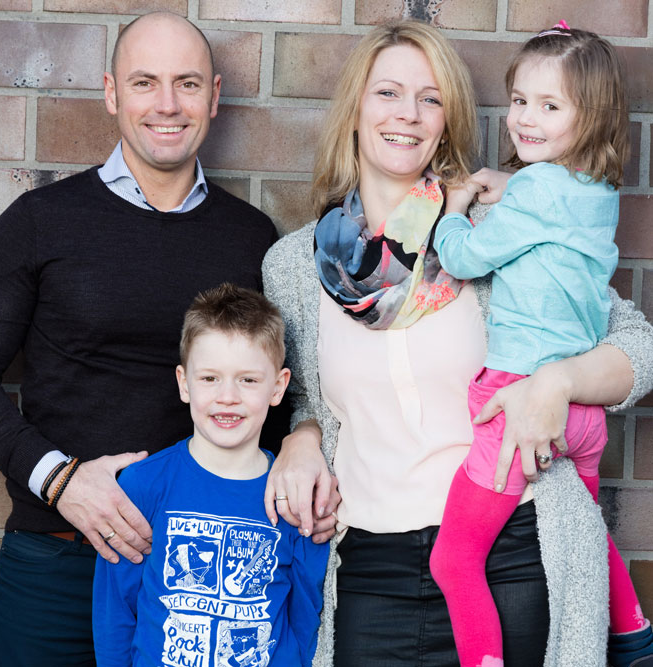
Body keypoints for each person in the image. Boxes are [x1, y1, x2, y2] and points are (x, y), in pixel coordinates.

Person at [261, 19, 653, 667]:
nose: (407, 114)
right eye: (387, 93)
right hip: (371, 568)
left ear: (448, 121)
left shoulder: (500, 225)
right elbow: (305, 395)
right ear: (354, 108)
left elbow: (637, 344)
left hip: (513, 552)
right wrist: (300, 438)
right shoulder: (296, 266)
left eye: (430, 98)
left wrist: (557, 382)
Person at [0, 12, 282, 667]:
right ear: (112, 93)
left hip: (197, 579)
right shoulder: (41, 221)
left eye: (186, 83)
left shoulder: (252, 239)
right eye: (145, 82)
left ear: (213, 96)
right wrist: (58, 480)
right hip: (56, 564)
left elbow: (283, 397)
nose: (167, 104)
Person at [429, 23, 653, 667]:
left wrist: (454, 208)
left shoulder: (533, 191)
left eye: (550, 106)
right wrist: (514, 182)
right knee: (586, 526)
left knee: (454, 559)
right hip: (582, 413)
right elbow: (546, 201)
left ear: (592, 116)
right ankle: (635, 635)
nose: (526, 118)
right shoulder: (599, 193)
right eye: (520, 100)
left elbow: (466, 258)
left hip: (519, 398)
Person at [92, 284, 329, 667]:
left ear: (278, 387)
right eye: (209, 379)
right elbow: (115, 614)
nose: (227, 396)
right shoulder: (142, 486)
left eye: (248, 380)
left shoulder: (294, 492)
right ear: (184, 383)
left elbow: (306, 614)